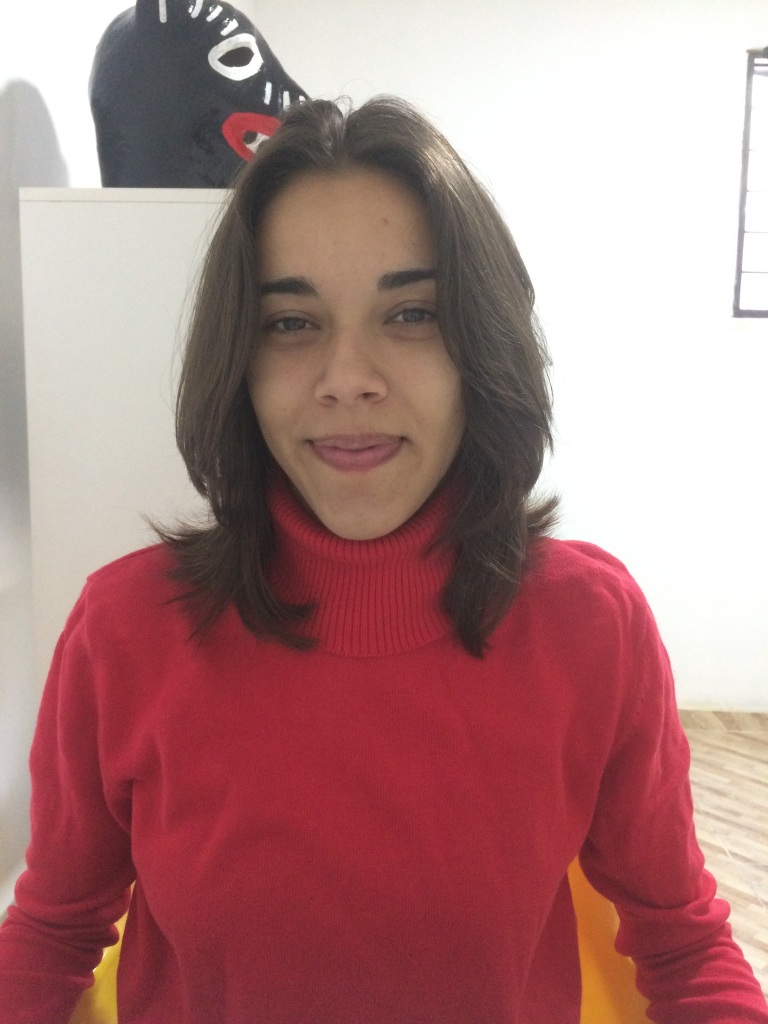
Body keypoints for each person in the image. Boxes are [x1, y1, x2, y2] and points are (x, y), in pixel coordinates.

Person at [0, 96, 766, 1024]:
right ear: (238, 359)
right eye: (292, 323)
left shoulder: (591, 625)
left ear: (480, 347)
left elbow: (684, 948)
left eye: (410, 314)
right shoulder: (125, 631)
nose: (349, 379)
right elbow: (50, 936)